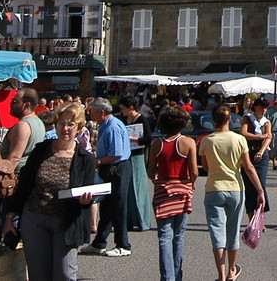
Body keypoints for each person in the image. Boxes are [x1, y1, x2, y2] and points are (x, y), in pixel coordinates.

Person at [2, 103, 98, 281]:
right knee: (39, 274)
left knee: (65, 274)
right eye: (61, 123)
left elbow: (88, 192)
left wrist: (86, 201)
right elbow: (24, 186)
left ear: (79, 129)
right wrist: (10, 217)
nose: (65, 128)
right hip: (35, 219)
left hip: (66, 222)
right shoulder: (41, 150)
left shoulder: (85, 159)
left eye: (71, 124)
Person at [200, 105, 264, 281]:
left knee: (217, 233)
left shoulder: (206, 141)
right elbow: (248, 167)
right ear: (229, 120)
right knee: (233, 231)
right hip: (235, 188)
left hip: (213, 188)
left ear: (213, 120)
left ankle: (220, 275)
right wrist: (260, 190)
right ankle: (231, 271)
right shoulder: (239, 140)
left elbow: (205, 166)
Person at [147, 108, 197, 281]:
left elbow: (150, 170)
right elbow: (194, 171)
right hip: (182, 189)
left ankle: (167, 277)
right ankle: (176, 276)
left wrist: (157, 181)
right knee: (179, 236)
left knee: (164, 236)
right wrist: (192, 182)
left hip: (163, 191)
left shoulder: (157, 144)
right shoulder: (188, 142)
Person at [80, 99, 132, 256]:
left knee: (118, 206)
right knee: (108, 206)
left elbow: (116, 153)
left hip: (118, 168)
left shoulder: (113, 127)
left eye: (93, 112)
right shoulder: (106, 125)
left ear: (101, 112)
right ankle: (99, 242)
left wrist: (98, 161)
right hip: (110, 168)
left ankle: (123, 245)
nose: (91, 114)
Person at [119, 96, 153, 232]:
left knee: (138, 187)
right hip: (126, 155)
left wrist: (134, 139)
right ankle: (128, 220)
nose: (121, 111)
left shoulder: (141, 119)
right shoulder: (123, 120)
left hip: (137, 155)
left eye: (123, 109)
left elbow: (148, 139)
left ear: (131, 108)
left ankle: (142, 221)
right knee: (127, 188)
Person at [0, 88, 46, 174]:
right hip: (28, 174)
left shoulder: (23, 125)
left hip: (16, 176)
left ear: (27, 105)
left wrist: (2, 176)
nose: (11, 104)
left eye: (15, 102)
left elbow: (14, 158)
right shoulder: (39, 122)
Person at [240, 100, 272, 216]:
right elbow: (243, 133)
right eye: (262, 107)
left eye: (266, 108)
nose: (264, 110)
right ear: (256, 107)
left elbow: (268, 137)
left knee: (261, 184)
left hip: (262, 154)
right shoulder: (248, 118)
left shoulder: (266, 122)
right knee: (249, 186)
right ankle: (250, 217)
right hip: (248, 152)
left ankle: (260, 216)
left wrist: (262, 150)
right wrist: (259, 136)